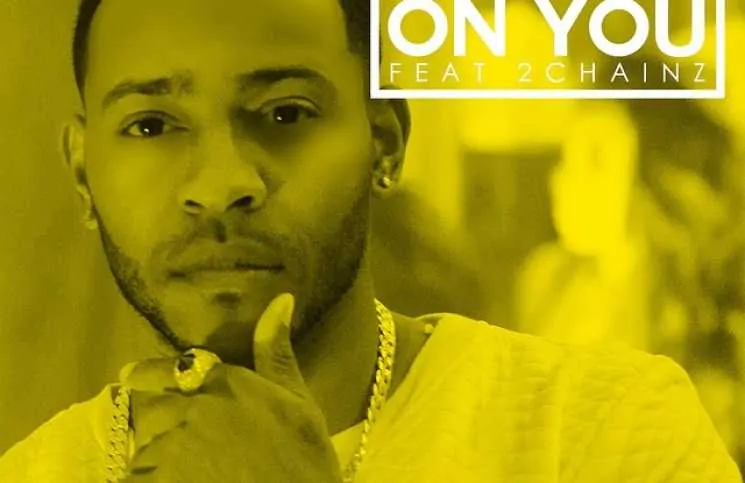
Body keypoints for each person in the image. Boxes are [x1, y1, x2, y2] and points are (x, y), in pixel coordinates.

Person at [0, 0, 741, 481]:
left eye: (285, 113)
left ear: (384, 141)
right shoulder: (40, 471)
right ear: (82, 172)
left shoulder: (608, 430)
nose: (221, 183)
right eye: (150, 126)